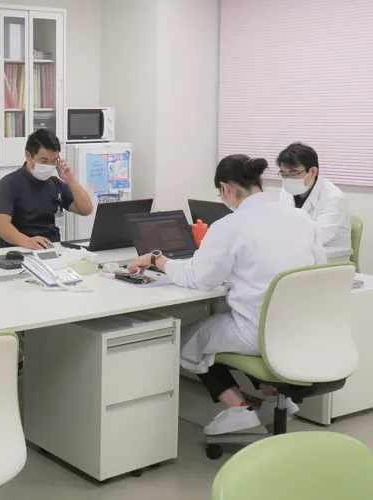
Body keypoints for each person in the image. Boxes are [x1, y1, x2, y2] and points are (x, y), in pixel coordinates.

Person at [127, 155, 326, 436]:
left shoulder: (229, 225)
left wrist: (157, 259)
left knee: (188, 340)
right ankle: (273, 399)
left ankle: (239, 409)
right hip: (299, 329)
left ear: (226, 188)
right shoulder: (301, 218)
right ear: (258, 181)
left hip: (255, 333)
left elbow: (197, 278)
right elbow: (319, 270)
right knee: (222, 327)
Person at [0, 129, 93, 249]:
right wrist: (27, 241)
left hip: (53, 249)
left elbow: (86, 209)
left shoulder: (55, 184)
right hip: (21, 249)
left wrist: (70, 179)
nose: (49, 166)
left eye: (54, 161)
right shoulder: (9, 184)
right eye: (44, 161)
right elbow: (0, 225)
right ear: (28, 155)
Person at [277, 142, 351, 248]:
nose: (288, 179)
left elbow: (319, 237)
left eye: (294, 174)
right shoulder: (286, 190)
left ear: (313, 172)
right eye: (284, 174)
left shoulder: (334, 198)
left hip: (329, 253)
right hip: (296, 247)